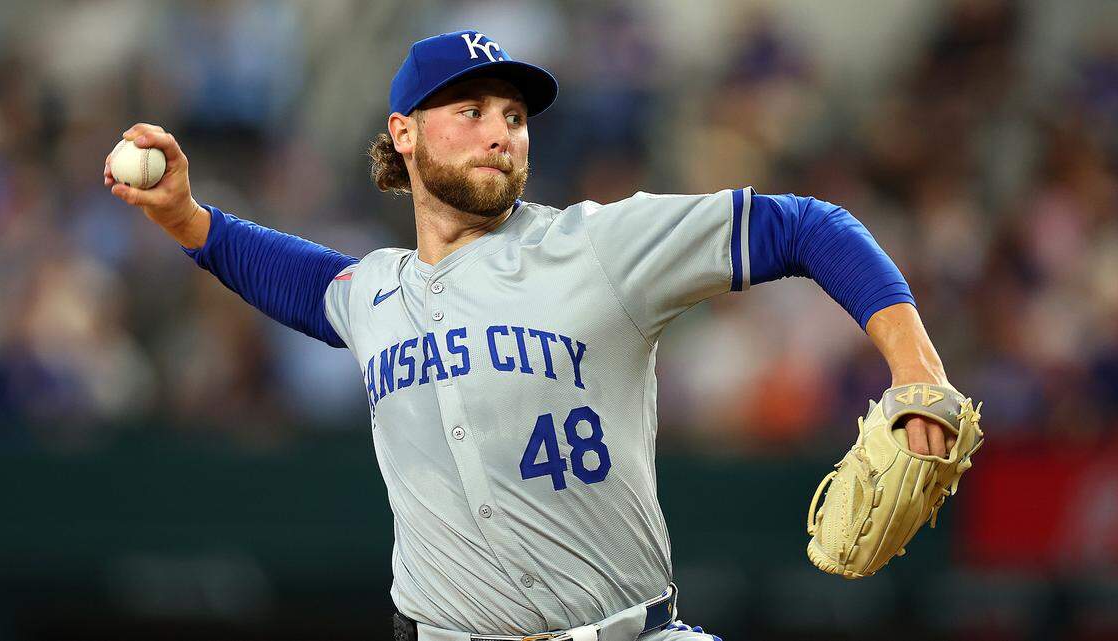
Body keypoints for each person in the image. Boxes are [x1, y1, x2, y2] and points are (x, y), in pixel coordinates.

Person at [105, 29, 958, 641]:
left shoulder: (597, 246)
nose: (500, 132)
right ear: (403, 134)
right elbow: (296, 279)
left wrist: (917, 371)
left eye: (514, 116)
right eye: (471, 109)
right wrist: (185, 217)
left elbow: (809, 226)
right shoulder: (377, 293)